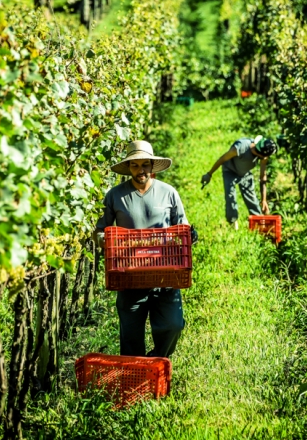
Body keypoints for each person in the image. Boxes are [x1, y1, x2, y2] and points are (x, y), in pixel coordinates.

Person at [95, 140, 190, 358]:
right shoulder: (115, 195)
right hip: (129, 277)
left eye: (145, 165)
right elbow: (101, 231)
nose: (141, 171)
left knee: (173, 325)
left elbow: (182, 227)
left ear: (152, 166)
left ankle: (155, 359)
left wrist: (189, 236)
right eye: (135, 166)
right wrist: (106, 241)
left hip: (164, 276)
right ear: (129, 168)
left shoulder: (168, 193)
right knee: (130, 337)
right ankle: (135, 380)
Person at [201, 135, 277, 229]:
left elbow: (262, 177)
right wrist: (209, 174)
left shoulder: (263, 157)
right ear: (261, 153)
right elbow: (223, 159)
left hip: (245, 173)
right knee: (230, 198)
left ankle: (258, 224)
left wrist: (264, 200)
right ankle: (233, 223)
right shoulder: (240, 148)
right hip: (230, 171)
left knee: (252, 198)